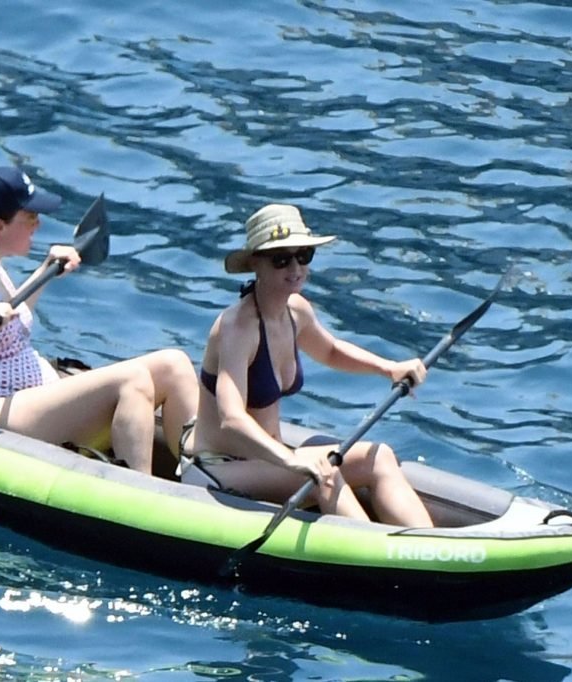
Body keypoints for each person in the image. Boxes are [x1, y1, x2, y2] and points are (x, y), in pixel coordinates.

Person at [0, 165, 198, 474]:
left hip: (32, 392)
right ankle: (140, 489)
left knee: (173, 364)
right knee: (132, 379)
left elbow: (11, 324)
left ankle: (204, 474)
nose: (38, 224)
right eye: (30, 217)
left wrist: (46, 271)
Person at [182, 203, 434, 526]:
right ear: (255, 263)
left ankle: (432, 545)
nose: (295, 268)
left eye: (303, 256)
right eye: (281, 259)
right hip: (220, 468)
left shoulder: (296, 311)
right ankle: (375, 549)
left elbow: (331, 351)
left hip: (266, 459)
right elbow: (232, 418)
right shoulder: (237, 328)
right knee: (324, 474)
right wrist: (291, 461)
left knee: (379, 456)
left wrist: (389, 368)